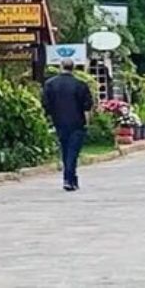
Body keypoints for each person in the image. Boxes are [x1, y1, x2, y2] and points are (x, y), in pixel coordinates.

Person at [42, 60, 93, 192]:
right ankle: (69, 179)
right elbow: (87, 107)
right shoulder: (80, 85)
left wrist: (50, 118)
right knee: (73, 152)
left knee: (65, 150)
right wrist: (87, 123)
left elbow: (46, 105)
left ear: (61, 67)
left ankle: (69, 178)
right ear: (73, 68)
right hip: (77, 123)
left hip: (59, 122)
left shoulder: (50, 84)